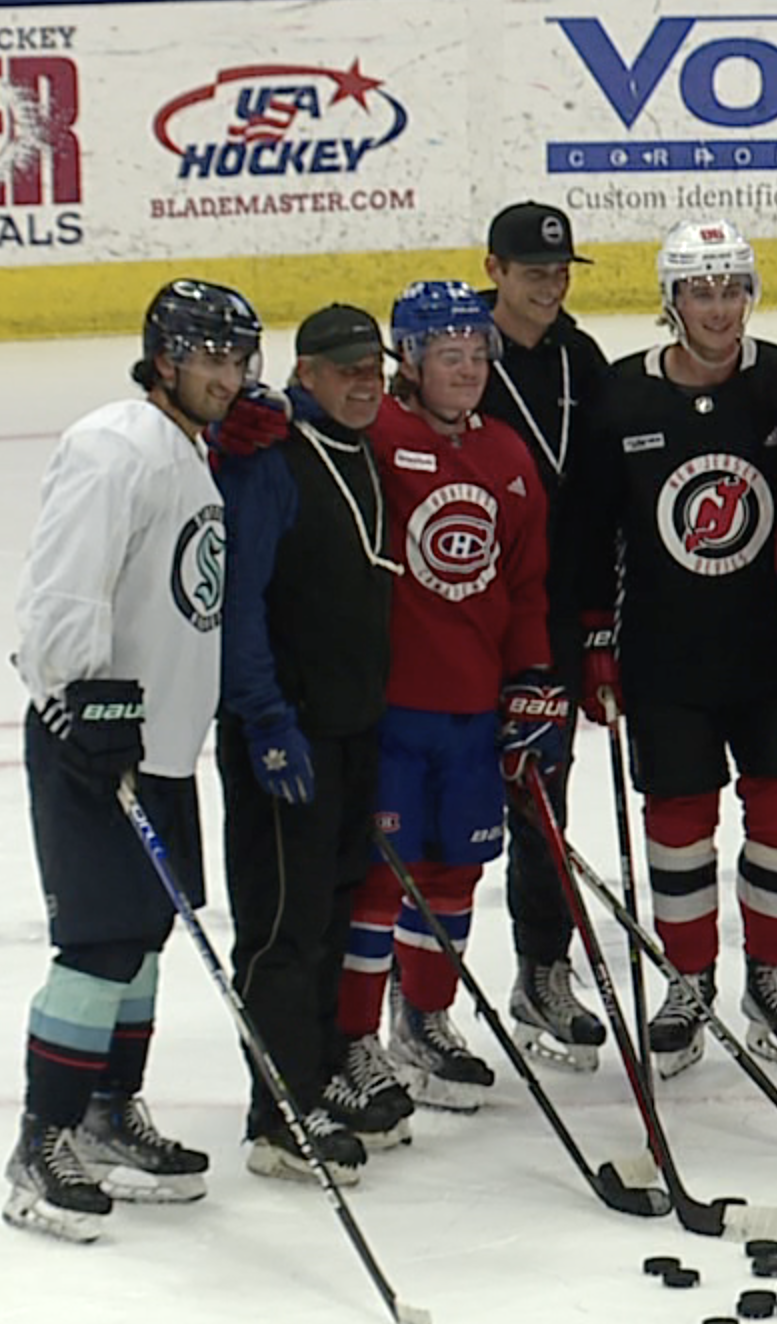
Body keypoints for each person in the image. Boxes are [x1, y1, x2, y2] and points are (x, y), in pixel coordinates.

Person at [9, 279, 260, 1241]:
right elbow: (63, 583)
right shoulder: (116, 443)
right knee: (100, 944)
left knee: (146, 932)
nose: (229, 378)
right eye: (212, 358)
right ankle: (43, 1140)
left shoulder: (187, 451)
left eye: (239, 360)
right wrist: (80, 692)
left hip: (158, 741)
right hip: (94, 732)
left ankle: (111, 1112)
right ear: (166, 359)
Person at [574, 218, 777, 1076]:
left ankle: (772, 976)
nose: (719, 309)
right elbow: (587, 531)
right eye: (700, 291)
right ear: (670, 300)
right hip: (667, 656)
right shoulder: (621, 397)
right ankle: (688, 979)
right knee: (679, 828)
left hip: (770, 653)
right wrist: (594, 640)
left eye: (730, 289)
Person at [334, 279, 561, 1113]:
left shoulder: (505, 452)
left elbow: (527, 584)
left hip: (474, 706)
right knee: (378, 881)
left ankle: (423, 1020)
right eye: (448, 357)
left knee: (455, 869)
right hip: (393, 706)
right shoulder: (376, 437)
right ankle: (355, 1036)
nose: (466, 371)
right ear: (410, 361)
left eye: (477, 356)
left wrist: (533, 680)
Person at [215, 304, 405, 1181]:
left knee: (329, 910)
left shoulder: (354, 444)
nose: (366, 380)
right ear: (306, 373)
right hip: (285, 735)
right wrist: (264, 722)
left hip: (348, 726)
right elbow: (239, 602)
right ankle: (277, 1113)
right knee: (281, 928)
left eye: (375, 365)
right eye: (345, 367)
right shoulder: (269, 458)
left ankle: (321, 1074)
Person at [479, 200, 611, 1069]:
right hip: (463, 613)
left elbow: (604, 496)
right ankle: (408, 998)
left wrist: (600, 621)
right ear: (494, 270)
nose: (551, 284)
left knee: (541, 801)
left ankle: (542, 969)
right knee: (435, 814)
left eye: (560, 271)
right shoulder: (457, 355)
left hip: (554, 621)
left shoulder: (582, 358)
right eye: (533, 272)